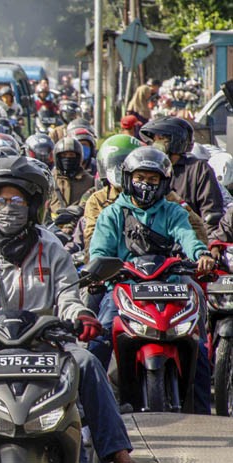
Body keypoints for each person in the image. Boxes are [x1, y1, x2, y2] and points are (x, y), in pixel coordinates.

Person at [0, 156, 136, 463]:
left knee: (88, 362)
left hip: (45, 344)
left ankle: (116, 451)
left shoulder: (53, 249)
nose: (8, 208)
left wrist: (81, 316)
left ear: (34, 205)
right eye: (0, 201)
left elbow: (68, 296)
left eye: (17, 200)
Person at [88, 147, 213, 413]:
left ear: (164, 182)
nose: (146, 184)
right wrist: (101, 270)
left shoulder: (173, 212)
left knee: (198, 344)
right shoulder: (112, 214)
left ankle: (204, 412)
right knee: (100, 338)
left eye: (153, 179)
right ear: (128, 179)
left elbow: (187, 237)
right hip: (125, 289)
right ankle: (92, 408)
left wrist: (200, 254)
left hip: (172, 286)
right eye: (140, 177)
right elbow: (99, 252)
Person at [139, 116, 225, 231]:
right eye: (154, 139)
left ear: (175, 140)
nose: (155, 144)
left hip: (188, 238)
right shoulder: (151, 170)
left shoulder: (197, 169)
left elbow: (210, 214)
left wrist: (207, 244)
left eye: (160, 138)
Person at [49, 137, 94, 216]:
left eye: (71, 155)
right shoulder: (49, 179)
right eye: (64, 155)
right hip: (52, 226)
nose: (67, 158)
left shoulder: (90, 181)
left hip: (77, 225)